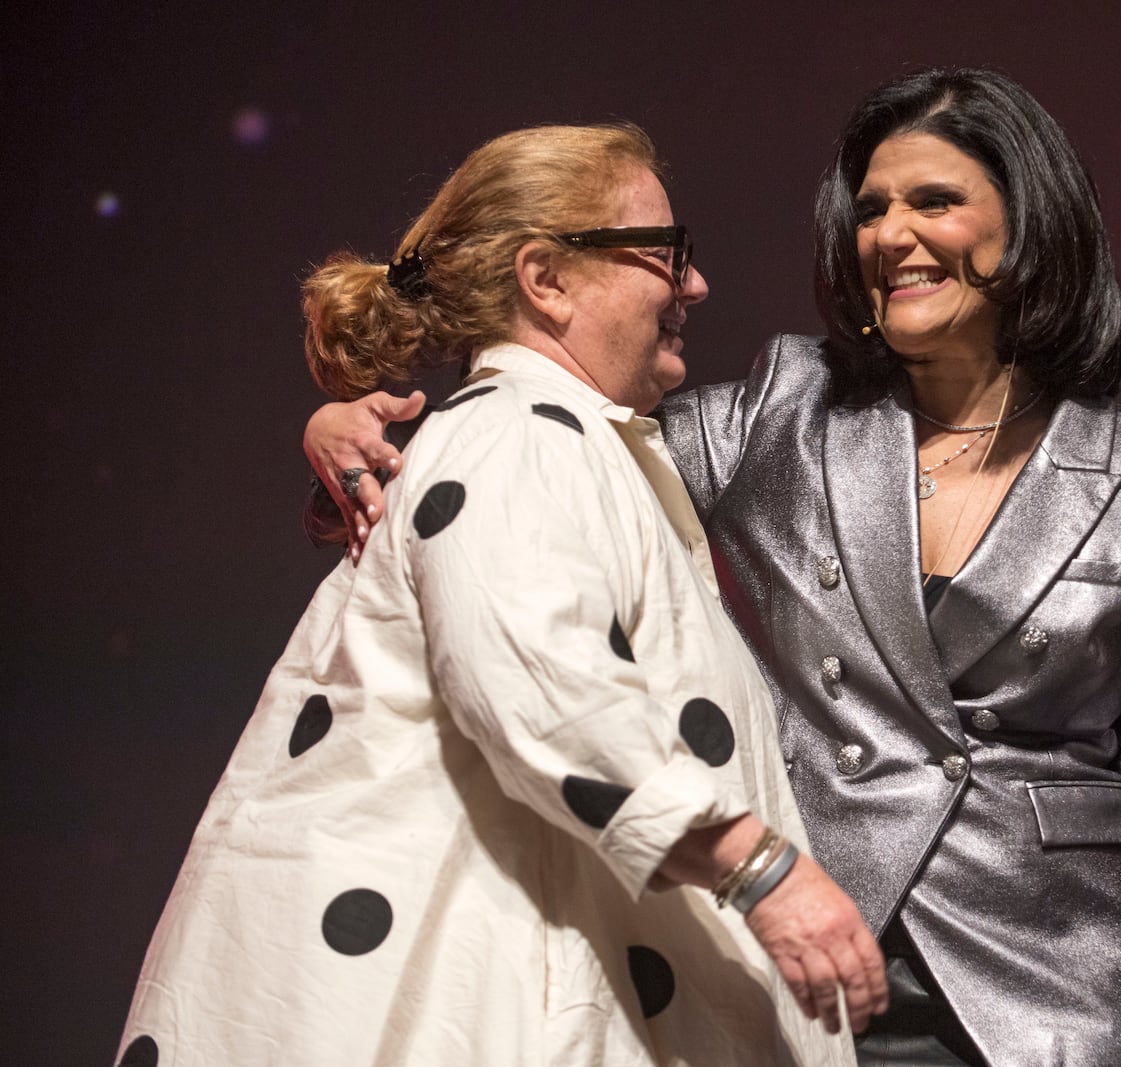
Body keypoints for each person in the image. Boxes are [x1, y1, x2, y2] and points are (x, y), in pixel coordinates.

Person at [305, 72, 1121, 1066]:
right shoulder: (783, 408)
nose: (889, 234)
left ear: (1029, 226)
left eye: (933, 201)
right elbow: (555, 460)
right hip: (798, 957)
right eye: (870, 208)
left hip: (1045, 989)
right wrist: (352, 430)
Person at [118, 123, 888, 1067]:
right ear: (546, 279)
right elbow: (544, 684)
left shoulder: (561, 440)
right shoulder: (516, 437)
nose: (693, 285)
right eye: (664, 253)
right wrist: (761, 869)